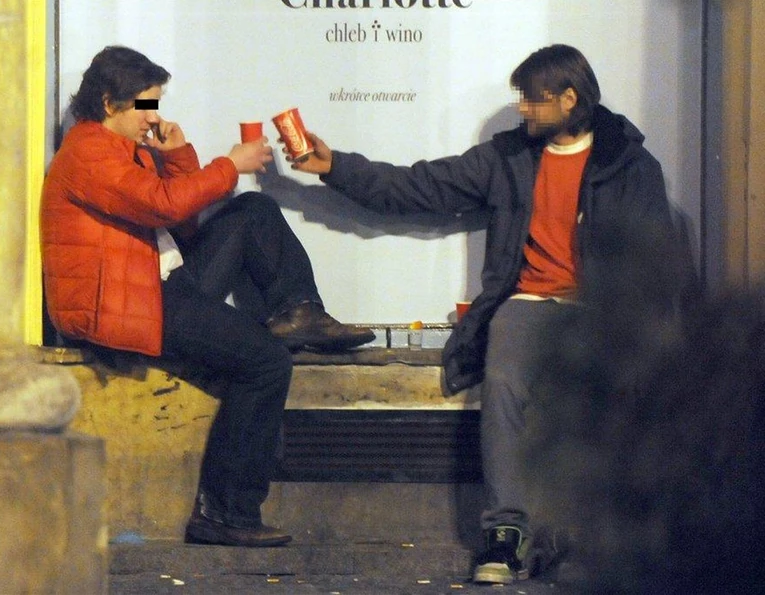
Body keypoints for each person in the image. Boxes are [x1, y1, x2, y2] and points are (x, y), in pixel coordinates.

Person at [288, 44, 690, 583]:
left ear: (569, 99)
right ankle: (505, 534)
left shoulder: (629, 166)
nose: (522, 108)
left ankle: (587, 541)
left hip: (599, 311)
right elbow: (420, 186)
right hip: (528, 303)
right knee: (501, 382)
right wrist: (335, 167)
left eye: (533, 99)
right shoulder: (509, 159)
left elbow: (653, 260)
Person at [40, 46, 374, 548]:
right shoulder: (87, 150)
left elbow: (181, 220)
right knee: (266, 362)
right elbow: (161, 205)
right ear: (109, 102)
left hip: (157, 284)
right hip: (127, 303)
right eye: (145, 104)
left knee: (253, 210)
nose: (153, 116)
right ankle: (225, 512)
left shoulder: (126, 149)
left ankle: (300, 312)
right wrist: (228, 165)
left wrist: (176, 157)